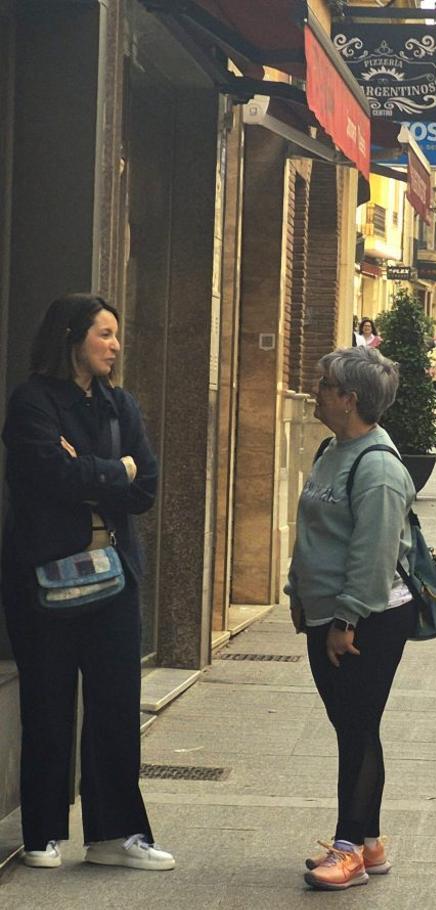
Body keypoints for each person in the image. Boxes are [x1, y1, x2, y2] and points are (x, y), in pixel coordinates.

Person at [1, 294, 174, 871]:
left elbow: (145, 484)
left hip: (114, 577)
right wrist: (111, 471)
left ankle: (114, 836)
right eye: (104, 334)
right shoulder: (31, 403)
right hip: (44, 580)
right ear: (73, 336)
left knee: (117, 707)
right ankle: (42, 833)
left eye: (117, 335)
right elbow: (46, 474)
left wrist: (94, 470)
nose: (115, 345)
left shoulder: (120, 406)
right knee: (48, 703)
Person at [286, 346, 416, 891]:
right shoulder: (332, 448)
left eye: (324, 383)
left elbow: (373, 553)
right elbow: (318, 533)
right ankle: (370, 843)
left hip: (367, 621)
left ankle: (348, 851)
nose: (315, 389)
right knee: (356, 728)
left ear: (350, 399)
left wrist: (345, 621)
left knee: (356, 731)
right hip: (331, 614)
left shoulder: (378, 466)